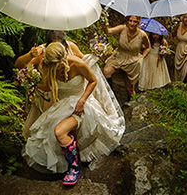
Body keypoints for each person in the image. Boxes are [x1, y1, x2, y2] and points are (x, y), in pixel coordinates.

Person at [22, 42, 125, 185]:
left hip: (80, 105)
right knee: (60, 134)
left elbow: (93, 81)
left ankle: (74, 169)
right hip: (61, 106)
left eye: (57, 66)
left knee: (59, 132)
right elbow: (47, 87)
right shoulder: (48, 67)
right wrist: (32, 84)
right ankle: (75, 162)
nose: (55, 70)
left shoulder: (77, 64)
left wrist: (83, 100)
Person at [103, 15, 150, 99]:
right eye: (130, 21)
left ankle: (131, 104)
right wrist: (105, 24)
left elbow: (148, 47)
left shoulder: (142, 35)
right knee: (106, 71)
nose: (132, 23)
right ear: (127, 21)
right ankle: (110, 96)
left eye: (135, 22)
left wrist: (142, 57)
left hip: (132, 62)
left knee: (130, 89)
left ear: (138, 23)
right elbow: (109, 31)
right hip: (119, 57)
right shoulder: (122, 28)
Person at [15, 30, 83, 69]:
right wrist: (30, 55)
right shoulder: (41, 51)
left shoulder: (71, 47)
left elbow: (85, 62)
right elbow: (18, 66)